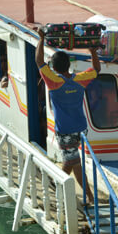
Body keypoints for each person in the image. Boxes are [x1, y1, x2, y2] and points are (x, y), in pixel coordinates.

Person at [36, 28, 100, 202]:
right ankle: (89, 195)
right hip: (81, 129)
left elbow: (39, 61)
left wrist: (41, 39)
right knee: (75, 162)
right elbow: (96, 69)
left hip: (65, 132)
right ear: (69, 65)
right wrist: (93, 52)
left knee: (70, 162)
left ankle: (55, 185)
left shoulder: (54, 81)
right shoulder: (80, 80)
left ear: (54, 68)